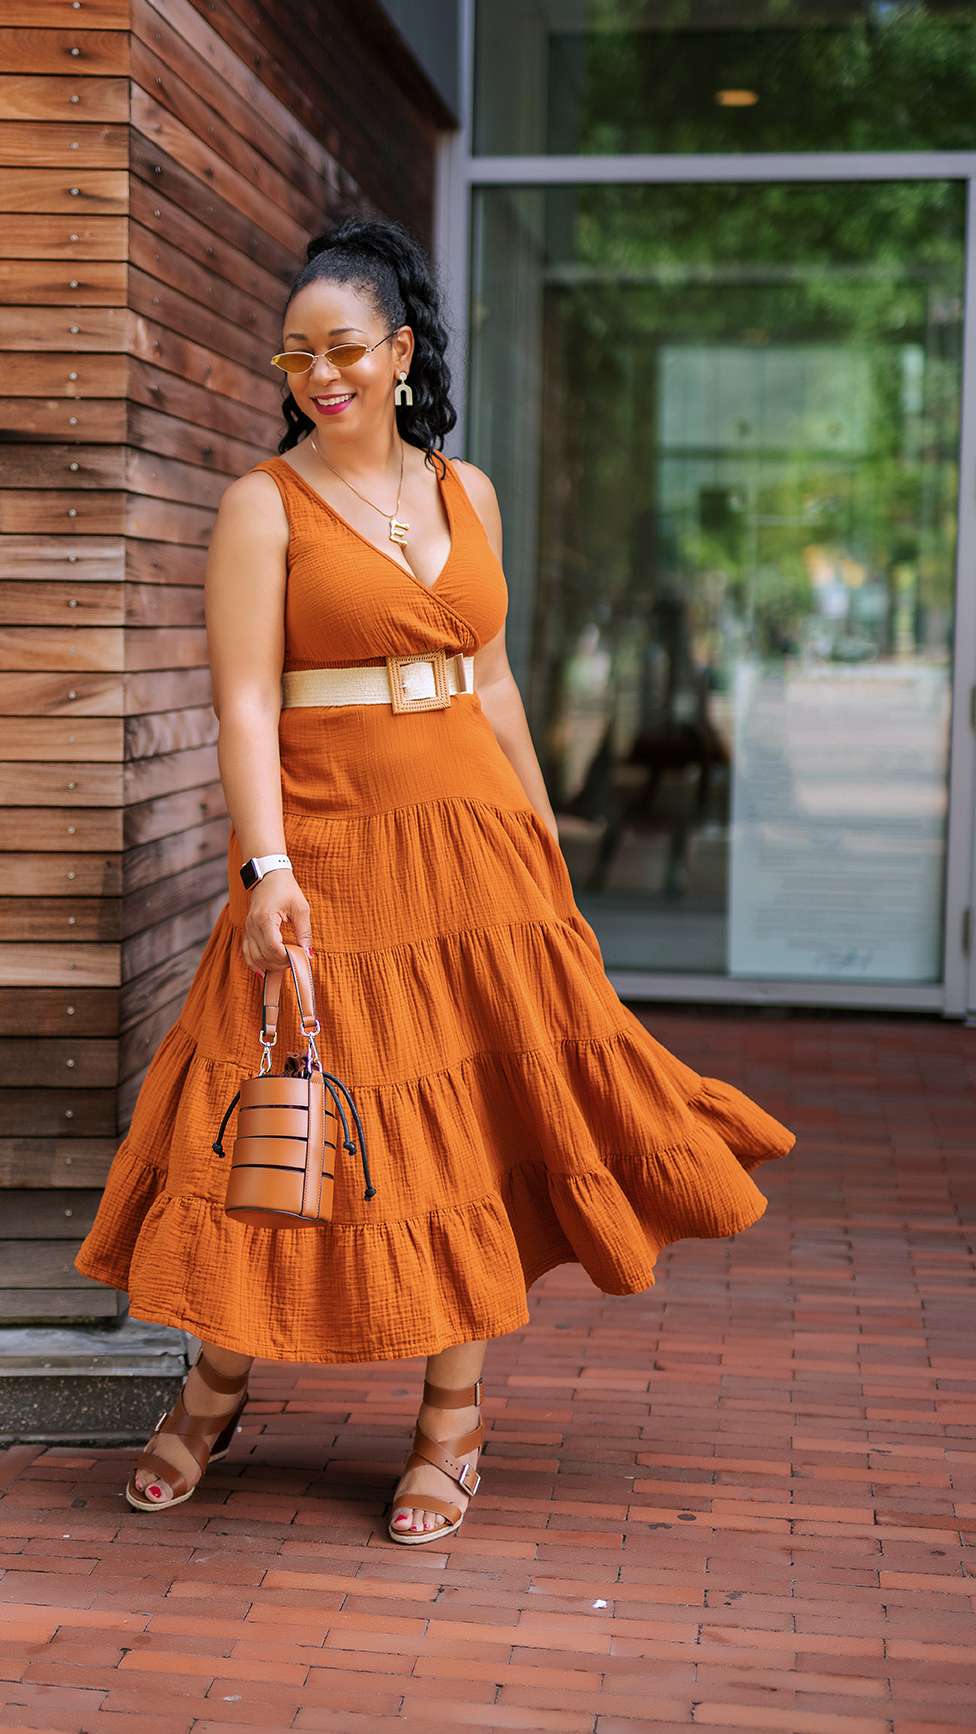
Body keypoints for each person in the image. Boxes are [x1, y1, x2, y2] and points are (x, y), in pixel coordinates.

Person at [77, 217, 794, 1545]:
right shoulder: (262, 505)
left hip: (473, 851)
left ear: (399, 350)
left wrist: (545, 853)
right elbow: (242, 709)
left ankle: (449, 1422)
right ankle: (214, 1382)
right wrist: (266, 868)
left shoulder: (468, 496)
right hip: (329, 852)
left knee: (465, 1120)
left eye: (341, 349)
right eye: (295, 355)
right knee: (275, 1113)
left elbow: (494, 681)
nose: (317, 375)